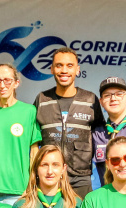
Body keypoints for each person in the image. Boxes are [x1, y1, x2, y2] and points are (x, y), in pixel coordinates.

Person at [33, 47, 104, 197]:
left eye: (69, 66)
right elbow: (29, 134)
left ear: (77, 70)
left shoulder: (90, 99)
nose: (64, 70)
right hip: (50, 177)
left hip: (81, 179)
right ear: (52, 69)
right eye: (59, 65)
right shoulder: (42, 99)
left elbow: (103, 133)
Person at [0, 63, 42, 204]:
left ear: (16, 83)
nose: (2, 85)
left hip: (19, 191)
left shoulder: (29, 111)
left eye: (7, 80)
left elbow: (33, 153)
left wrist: (32, 185)